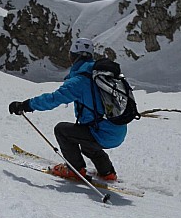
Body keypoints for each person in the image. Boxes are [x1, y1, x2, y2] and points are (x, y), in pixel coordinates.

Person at [8, 37, 125, 181]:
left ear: (74, 56)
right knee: (86, 140)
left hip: (103, 133)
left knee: (62, 130)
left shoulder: (80, 80)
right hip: (117, 130)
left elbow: (53, 99)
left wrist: (25, 105)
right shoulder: (101, 75)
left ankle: (74, 170)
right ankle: (107, 172)